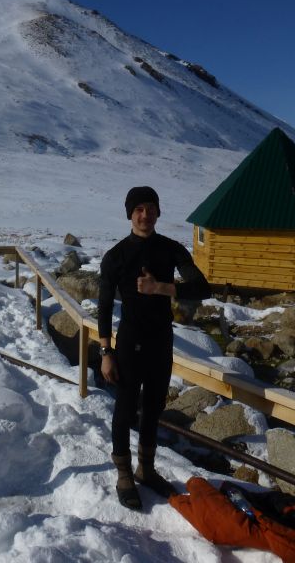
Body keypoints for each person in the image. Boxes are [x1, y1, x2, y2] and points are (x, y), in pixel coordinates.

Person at [98, 186, 210, 510]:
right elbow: (104, 307)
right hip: (129, 343)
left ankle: (146, 469)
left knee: (154, 407)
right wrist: (106, 353)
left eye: (150, 208)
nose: (145, 215)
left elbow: (201, 287)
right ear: (130, 214)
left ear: (158, 213)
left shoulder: (170, 249)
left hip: (161, 341)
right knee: (124, 409)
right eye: (139, 209)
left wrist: (159, 287)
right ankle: (124, 474)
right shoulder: (116, 256)